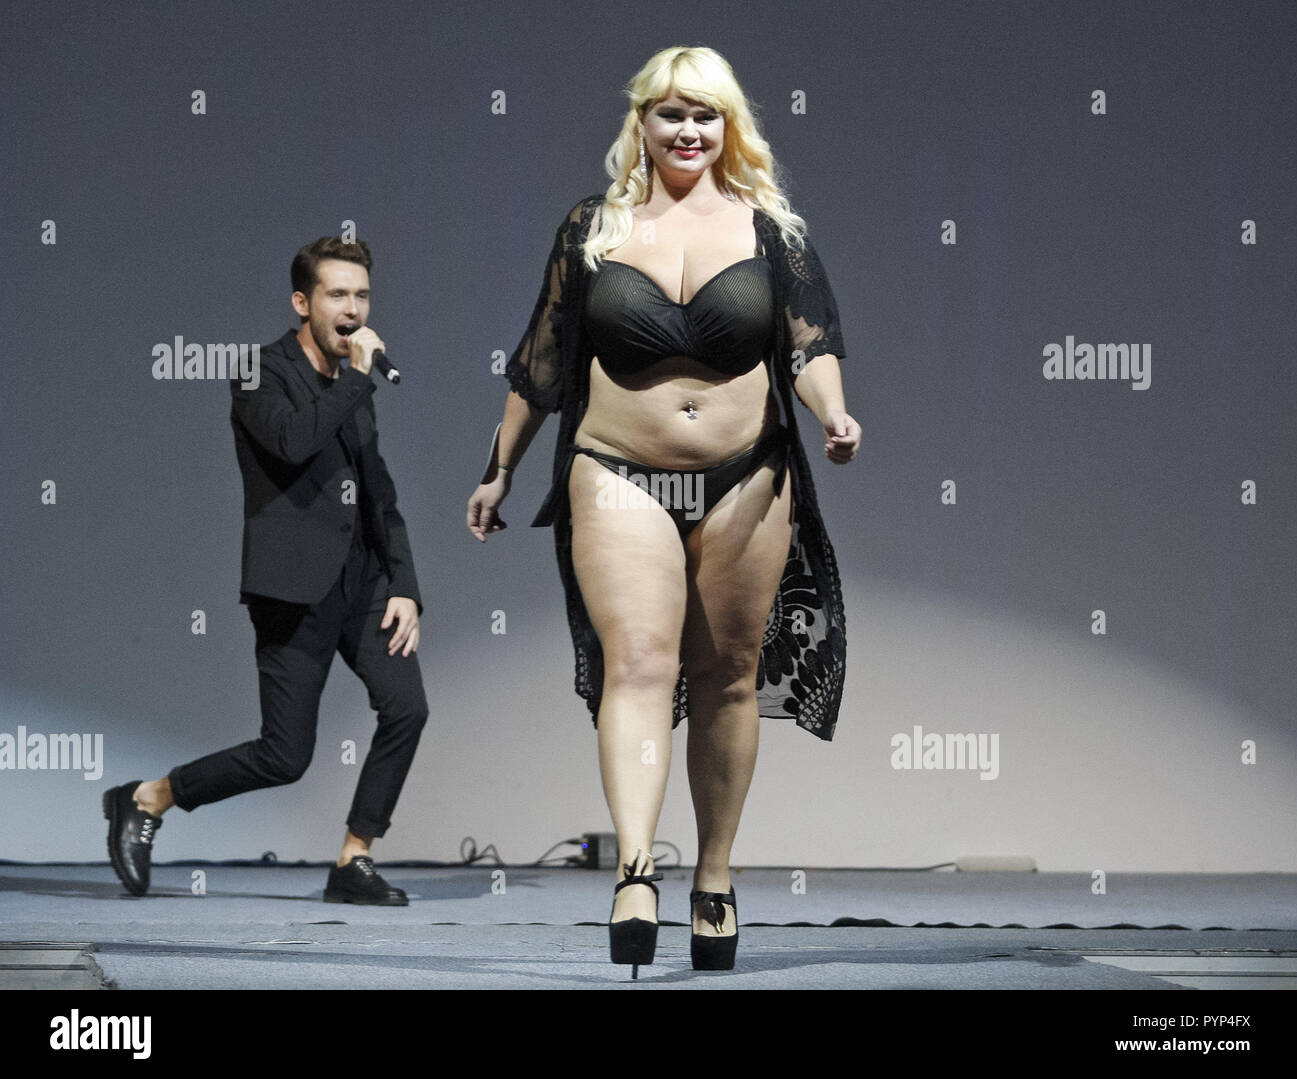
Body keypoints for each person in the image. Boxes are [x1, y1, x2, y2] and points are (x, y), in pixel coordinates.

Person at [467, 46, 860, 973]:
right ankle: (637, 871)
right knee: (638, 662)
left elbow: (812, 346)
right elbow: (540, 365)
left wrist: (834, 415)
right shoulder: (592, 229)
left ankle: (714, 878)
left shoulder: (774, 231)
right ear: (640, 121)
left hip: (747, 474)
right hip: (617, 471)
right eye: (671, 114)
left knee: (727, 673)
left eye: (707, 116)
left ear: (731, 128)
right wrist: (498, 472)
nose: (689, 132)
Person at [103, 237, 429, 905]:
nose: (353, 308)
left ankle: (353, 860)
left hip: (364, 581)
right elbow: (292, 442)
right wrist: (359, 379)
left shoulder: (353, 383)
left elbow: (380, 491)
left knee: (407, 707)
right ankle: (148, 797)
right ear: (302, 302)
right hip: (292, 588)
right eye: (338, 294)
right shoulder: (258, 370)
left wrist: (405, 585)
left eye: (362, 295)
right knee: (285, 755)